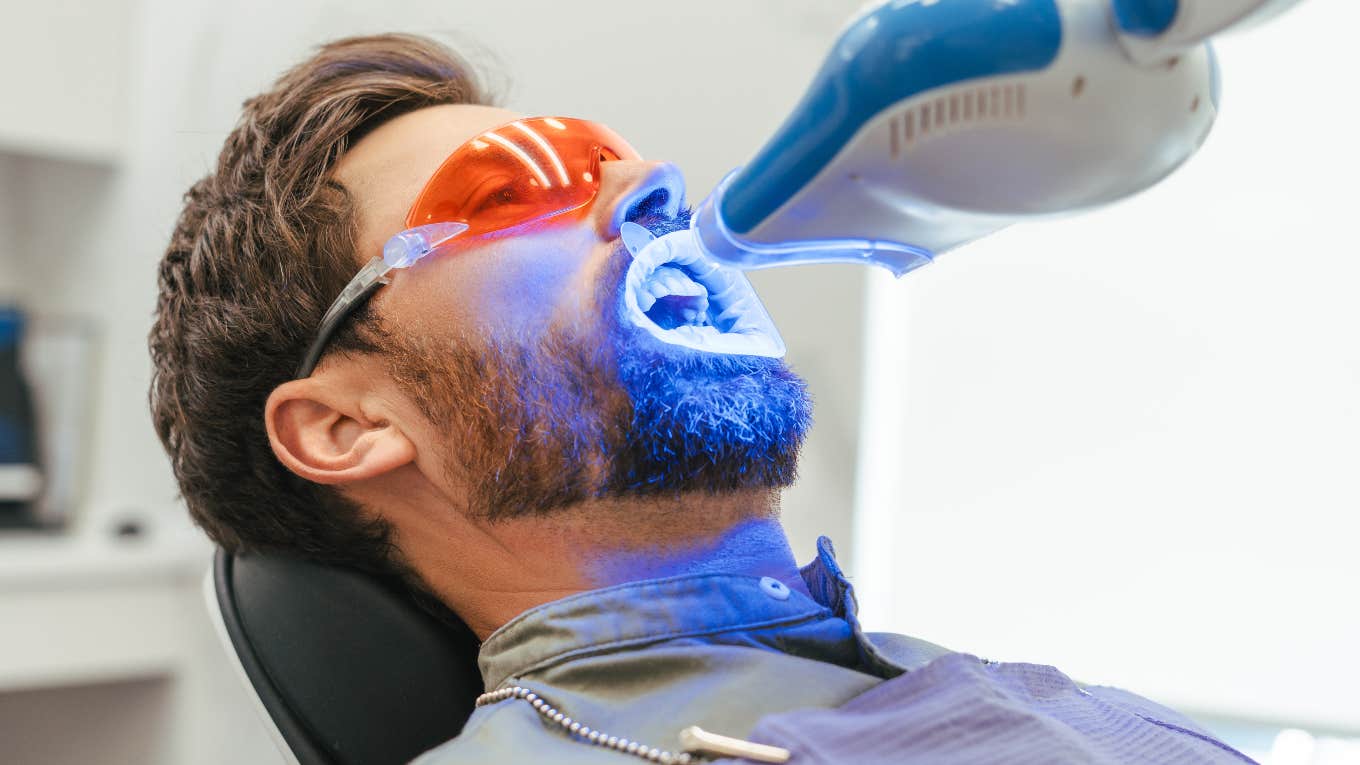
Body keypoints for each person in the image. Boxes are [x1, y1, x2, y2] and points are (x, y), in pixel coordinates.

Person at [149, 34, 1251, 764]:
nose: (653, 189)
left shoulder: (983, 686)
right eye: (516, 186)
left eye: (621, 165)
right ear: (348, 426)